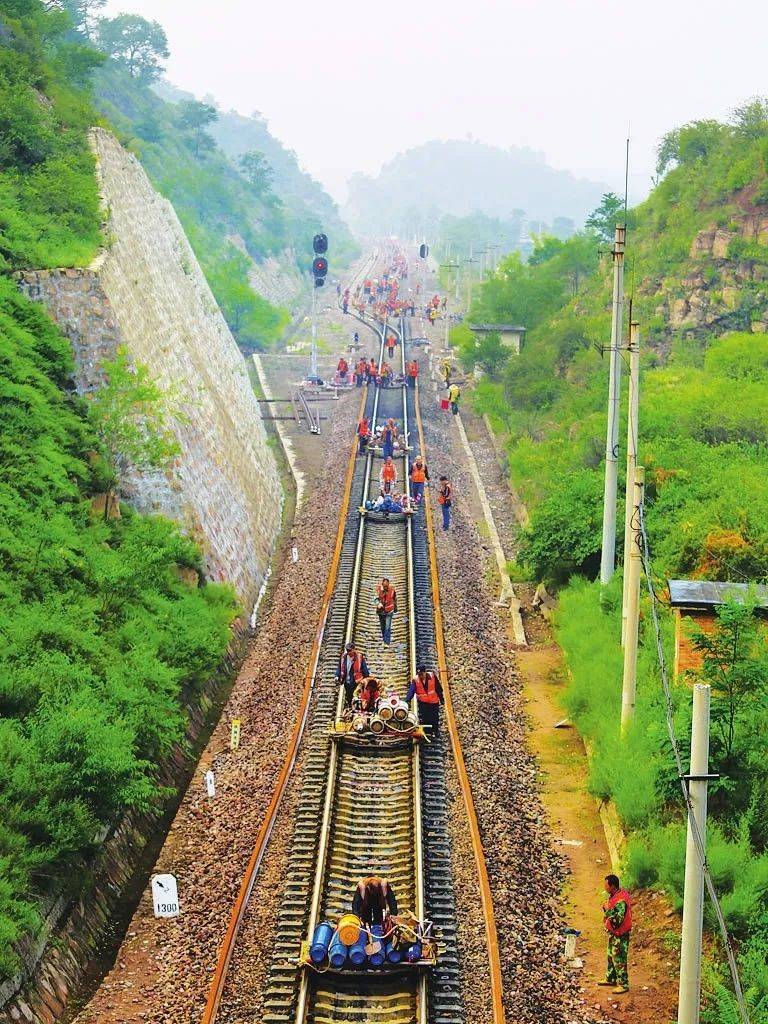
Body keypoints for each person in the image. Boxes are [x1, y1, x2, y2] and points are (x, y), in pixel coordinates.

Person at [599, 875, 632, 994]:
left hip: (620, 934)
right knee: (610, 956)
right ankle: (611, 978)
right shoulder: (615, 895)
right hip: (614, 933)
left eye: (606, 885)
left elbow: (618, 920)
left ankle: (623, 984)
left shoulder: (621, 901)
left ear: (612, 886)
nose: (604, 887)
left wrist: (607, 910)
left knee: (619, 958)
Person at [406, 665, 444, 737]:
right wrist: (407, 700)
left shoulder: (432, 676)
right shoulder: (416, 680)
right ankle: (427, 732)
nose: (420, 676)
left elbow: (438, 688)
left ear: (425, 672)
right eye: (419, 674)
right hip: (423, 703)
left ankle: (435, 731)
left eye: (421, 674)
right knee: (425, 718)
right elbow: (411, 691)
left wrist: (441, 699)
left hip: (433, 702)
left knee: (434, 717)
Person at [337, 641, 370, 707]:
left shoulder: (359, 657)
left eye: (350, 650)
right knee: (349, 695)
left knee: (357, 695)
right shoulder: (343, 657)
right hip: (347, 681)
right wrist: (337, 675)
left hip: (356, 681)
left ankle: (356, 706)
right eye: (347, 650)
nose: (348, 652)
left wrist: (366, 678)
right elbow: (339, 668)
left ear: (354, 649)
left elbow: (364, 669)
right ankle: (350, 705)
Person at [376, 578, 397, 645]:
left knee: (387, 627)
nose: (385, 587)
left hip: (389, 611)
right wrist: (378, 603)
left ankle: (386, 642)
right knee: (383, 627)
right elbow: (375, 599)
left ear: (388, 585)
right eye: (384, 586)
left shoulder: (392, 590)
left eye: (387, 586)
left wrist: (395, 608)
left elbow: (395, 599)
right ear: (382, 584)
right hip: (381, 612)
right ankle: (384, 639)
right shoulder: (379, 590)